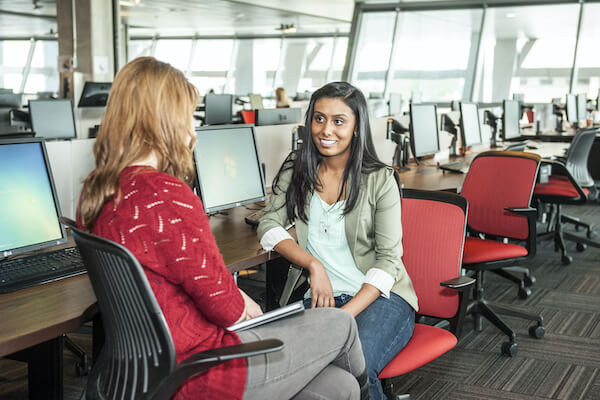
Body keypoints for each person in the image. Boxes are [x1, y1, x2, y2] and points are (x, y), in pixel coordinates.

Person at [77, 57, 368, 400]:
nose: (192, 129)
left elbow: (176, 281)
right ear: (166, 122)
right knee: (341, 323)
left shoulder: (98, 190)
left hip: (146, 371)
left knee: (338, 386)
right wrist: (239, 302)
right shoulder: (166, 196)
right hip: (207, 369)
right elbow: (225, 309)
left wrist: (236, 297)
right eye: (187, 117)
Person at [257, 81, 418, 400]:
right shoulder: (297, 167)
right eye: (318, 118)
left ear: (357, 128)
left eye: (339, 121)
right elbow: (268, 224)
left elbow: (388, 260)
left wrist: (344, 317)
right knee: (290, 371)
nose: (325, 129)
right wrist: (312, 265)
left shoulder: (379, 179)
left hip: (379, 298)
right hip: (322, 298)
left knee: (356, 366)